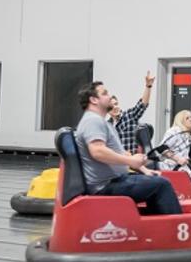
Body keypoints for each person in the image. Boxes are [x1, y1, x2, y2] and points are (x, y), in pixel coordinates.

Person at [75, 81, 181, 215]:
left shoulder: (101, 122)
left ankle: (157, 227)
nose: (109, 97)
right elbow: (98, 151)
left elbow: (120, 152)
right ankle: (172, 230)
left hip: (116, 179)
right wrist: (131, 162)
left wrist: (144, 170)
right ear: (94, 100)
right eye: (105, 93)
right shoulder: (93, 121)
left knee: (156, 183)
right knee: (162, 184)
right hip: (106, 185)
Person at [109, 71, 155, 154]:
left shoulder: (129, 116)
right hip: (118, 162)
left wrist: (148, 86)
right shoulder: (108, 125)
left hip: (134, 160)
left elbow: (143, 104)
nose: (115, 107)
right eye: (111, 106)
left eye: (116, 104)